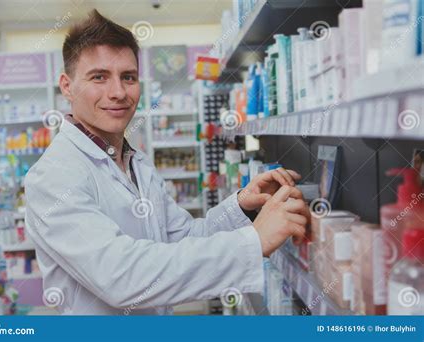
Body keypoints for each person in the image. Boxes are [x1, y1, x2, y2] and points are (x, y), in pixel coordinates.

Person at [25, 9, 310, 315]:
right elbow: (123, 277)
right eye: (99, 77)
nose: (119, 92)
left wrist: (241, 206)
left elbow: (183, 239)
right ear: (66, 86)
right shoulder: (53, 177)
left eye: (128, 77)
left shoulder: (135, 162)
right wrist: (254, 242)